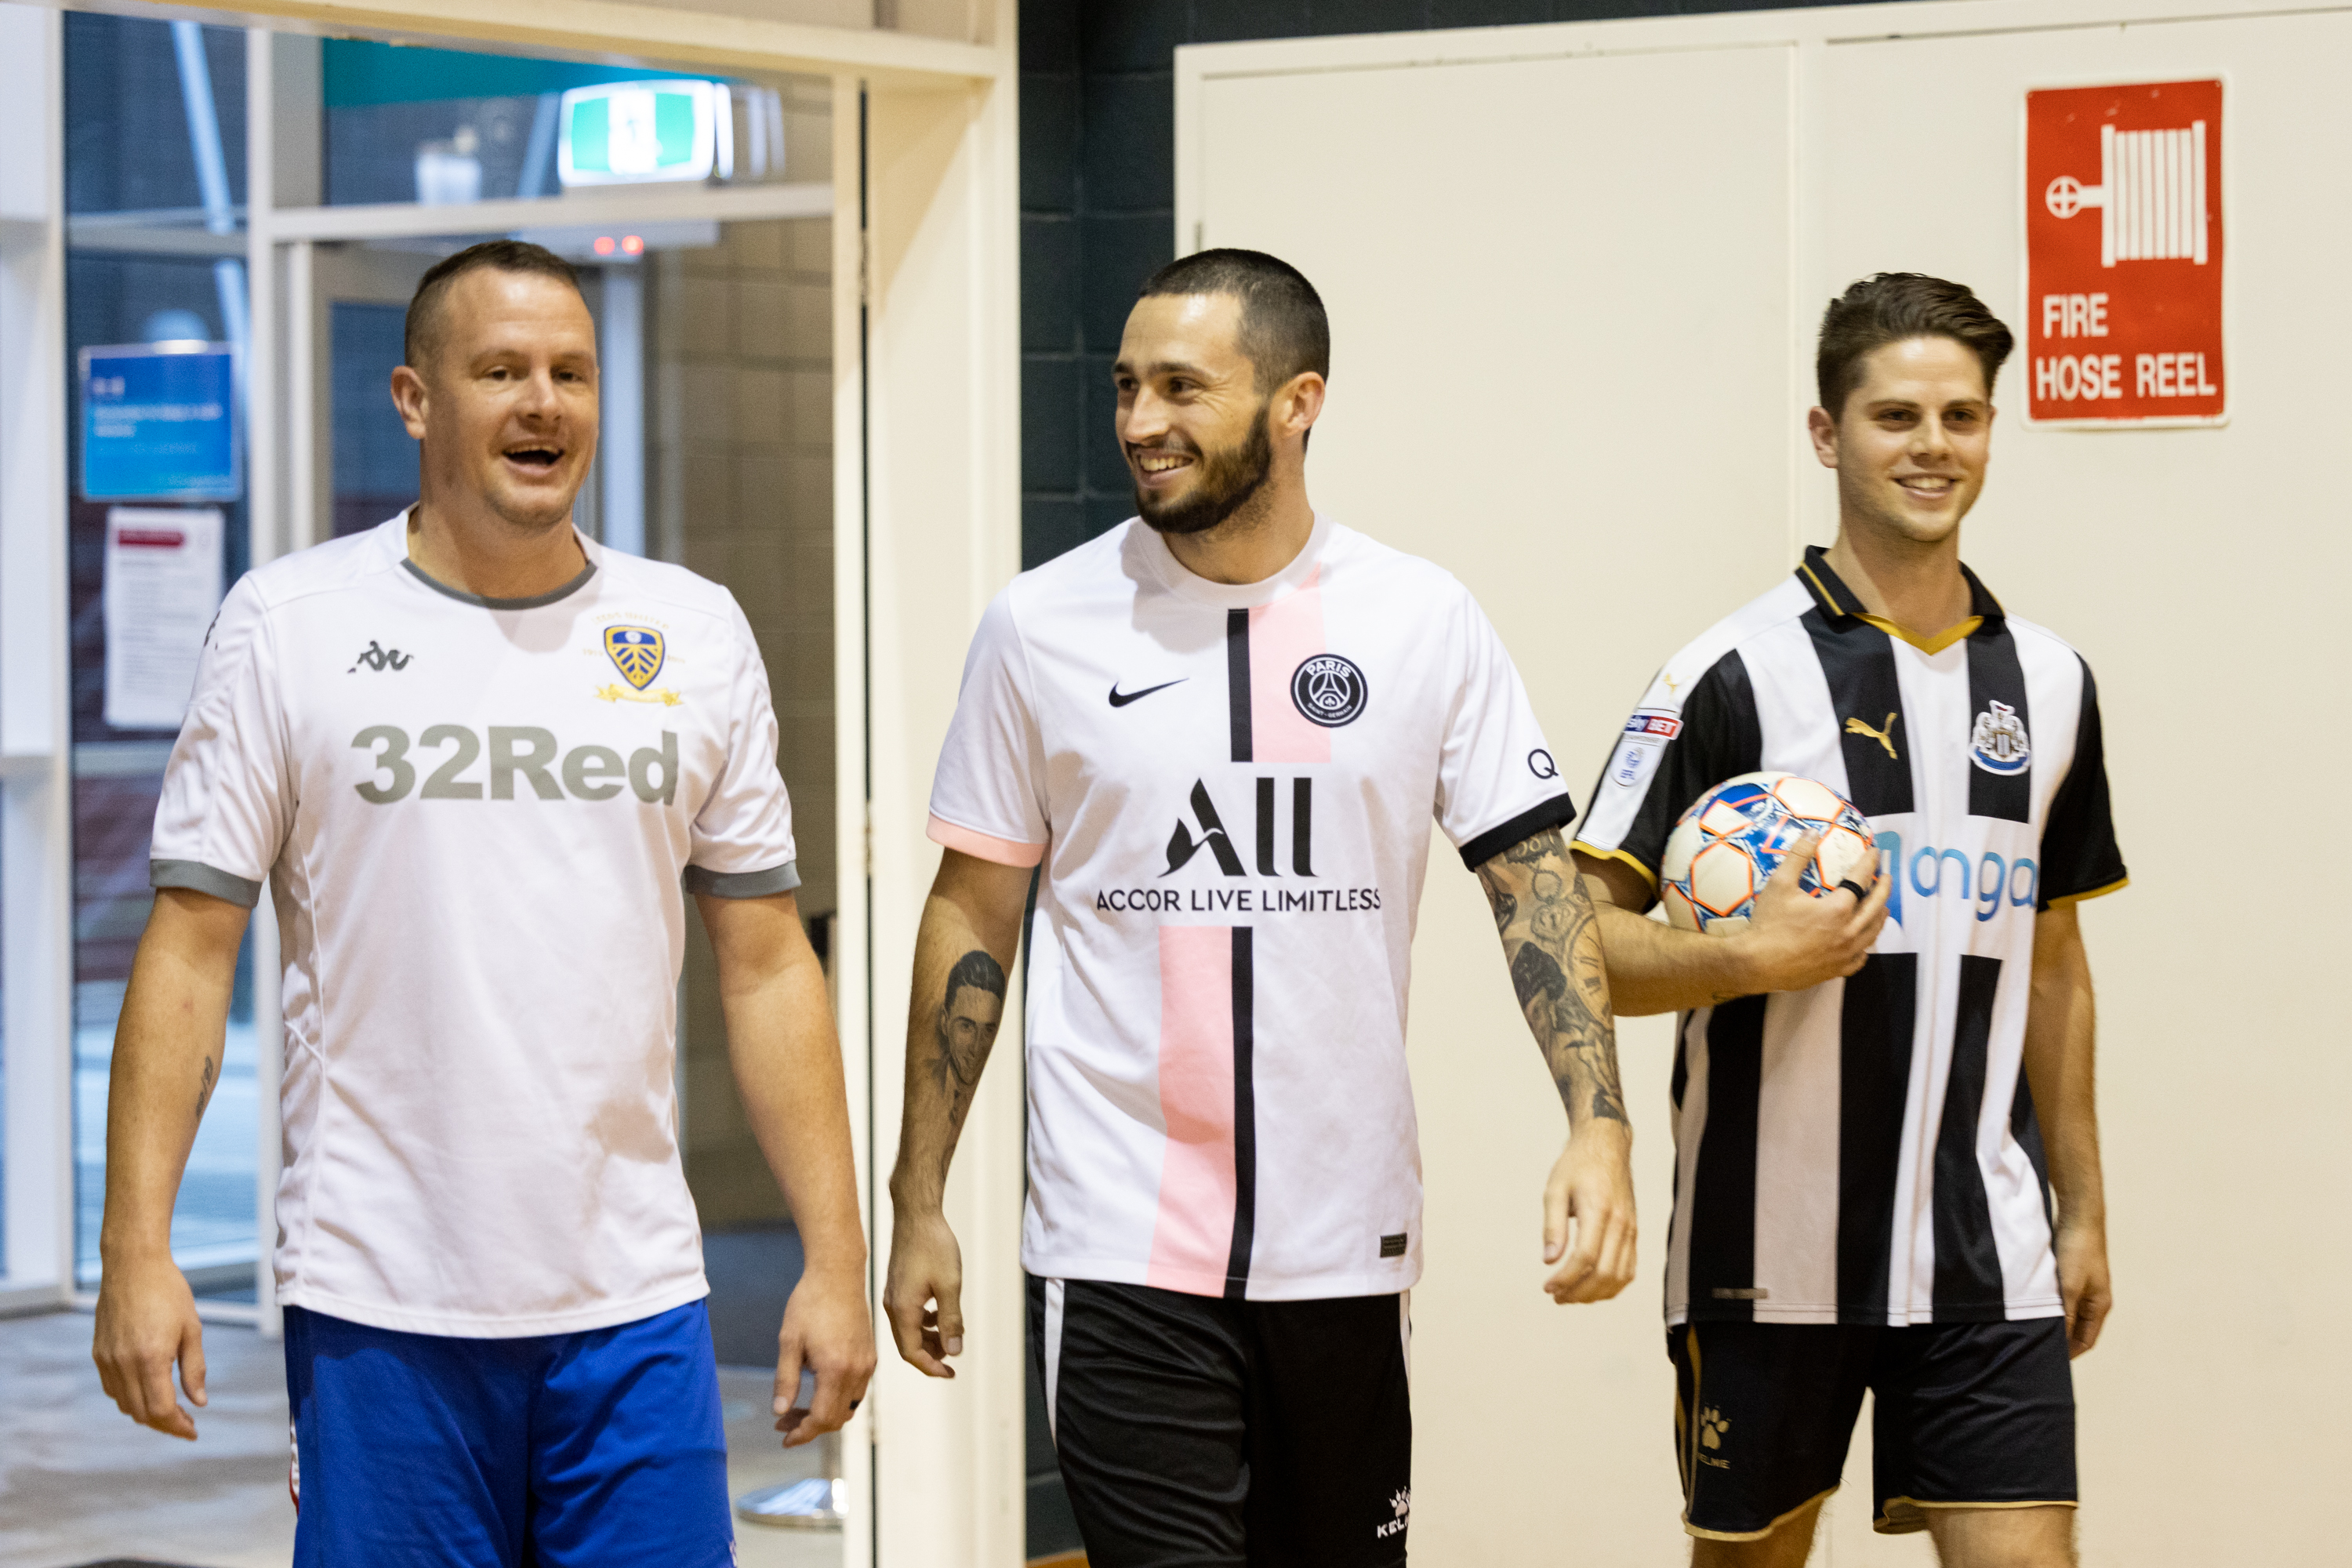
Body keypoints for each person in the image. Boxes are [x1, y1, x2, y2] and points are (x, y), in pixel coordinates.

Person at [90, 239, 875, 1566]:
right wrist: (137, 1248)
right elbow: (187, 954)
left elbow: (765, 964)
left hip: (636, 1303)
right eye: (501, 370)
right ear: (413, 399)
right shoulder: (290, 624)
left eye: (570, 370)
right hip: (381, 1299)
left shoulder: (692, 630)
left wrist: (836, 1259)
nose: (544, 401)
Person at [882, 249, 1636, 1566]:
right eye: (1126, 387)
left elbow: (1534, 885)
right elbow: (971, 919)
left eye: (1182, 386)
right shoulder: (1039, 625)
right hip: (1118, 1248)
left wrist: (1599, 1123)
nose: (1138, 423)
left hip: (1346, 1248)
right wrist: (920, 1196)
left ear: (1299, 402)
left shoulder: (1422, 619)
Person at [1570, 273, 2125, 1568]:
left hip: (1990, 1258)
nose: (1933, 447)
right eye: (1895, 417)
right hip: (1769, 1262)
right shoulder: (1723, 673)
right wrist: (1744, 955)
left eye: (1962, 417)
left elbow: (2053, 965)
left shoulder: (2049, 681)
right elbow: (1575, 946)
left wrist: (2084, 1208)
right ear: (1828, 435)